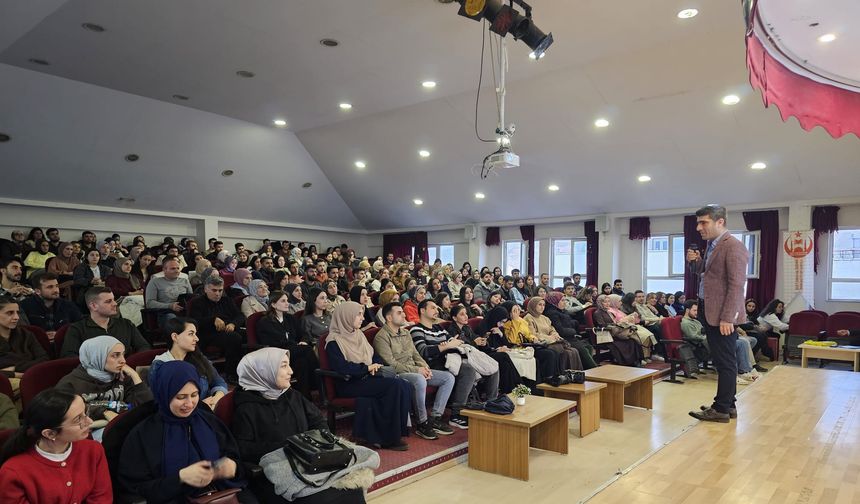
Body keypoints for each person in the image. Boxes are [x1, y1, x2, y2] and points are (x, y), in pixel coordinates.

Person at [231, 348, 369, 504]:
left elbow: (318, 421)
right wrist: (291, 447)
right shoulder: (246, 408)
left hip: (309, 462)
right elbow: (245, 450)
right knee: (322, 499)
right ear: (264, 371)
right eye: (283, 366)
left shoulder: (292, 395)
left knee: (353, 490)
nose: (290, 371)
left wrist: (317, 443)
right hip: (277, 472)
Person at [118, 360, 256, 503]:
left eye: (195, 394)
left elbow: (236, 461)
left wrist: (233, 467)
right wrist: (180, 478)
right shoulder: (144, 434)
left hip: (225, 494)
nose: (190, 404)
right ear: (164, 393)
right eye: (181, 397)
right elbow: (136, 490)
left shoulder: (209, 421)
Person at [687, 205, 749, 423]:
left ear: (720, 222)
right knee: (724, 360)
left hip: (723, 314)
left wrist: (727, 317)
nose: (698, 227)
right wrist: (695, 263)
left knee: (725, 362)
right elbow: (705, 274)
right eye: (698, 223)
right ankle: (728, 405)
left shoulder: (733, 246)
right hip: (711, 310)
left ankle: (721, 408)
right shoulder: (712, 245)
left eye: (704, 222)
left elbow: (736, 285)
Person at [325, 302, 411, 450]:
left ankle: (393, 433)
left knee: (404, 384)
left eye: (361, 313)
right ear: (346, 317)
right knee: (395, 386)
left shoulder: (358, 334)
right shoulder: (334, 341)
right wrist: (366, 368)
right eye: (358, 314)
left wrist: (376, 365)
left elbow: (373, 355)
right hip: (348, 383)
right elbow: (342, 368)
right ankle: (390, 438)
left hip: (366, 378)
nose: (362, 317)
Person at [0, 388, 112, 503]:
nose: (89, 421)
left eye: (85, 412)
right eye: (78, 419)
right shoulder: (13, 472)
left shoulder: (93, 450)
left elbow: (101, 498)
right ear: (50, 433)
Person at [411, 299, 499, 429]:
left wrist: (448, 345)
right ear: (422, 311)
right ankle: (457, 414)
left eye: (437, 308)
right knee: (468, 370)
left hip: (450, 359)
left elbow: (454, 342)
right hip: (434, 364)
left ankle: (492, 403)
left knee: (491, 365)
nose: (437, 311)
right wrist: (443, 347)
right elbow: (423, 352)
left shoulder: (438, 328)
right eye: (433, 308)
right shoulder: (416, 329)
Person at [372, 302, 455, 441]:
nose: (404, 314)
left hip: (414, 369)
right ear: (389, 318)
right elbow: (391, 364)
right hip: (397, 374)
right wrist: (417, 370)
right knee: (419, 379)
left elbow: (416, 354)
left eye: (403, 312)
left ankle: (435, 417)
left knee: (448, 377)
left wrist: (425, 367)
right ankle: (422, 422)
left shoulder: (405, 332)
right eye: (399, 312)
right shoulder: (381, 337)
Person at [56, 336, 154, 439]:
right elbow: (66, 417)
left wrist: (135, 376)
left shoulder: (123, 376)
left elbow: (145, 408)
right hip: (88, 433)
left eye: (123, 354)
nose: (123, 360)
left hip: (123, 426)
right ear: (97, 356)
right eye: (115, 355)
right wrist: (104, 411)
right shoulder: (70, 384)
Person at [149, 317, 228, 411]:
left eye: (196, 334)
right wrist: (200, 405)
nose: (197, 339)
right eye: (191, 334)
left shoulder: (199, 358)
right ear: (175, 337)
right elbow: (162, 402)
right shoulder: (160, 365)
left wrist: (217, 397)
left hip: (207, 411)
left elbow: (219, 381)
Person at [257, 291, 318, 399]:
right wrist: (297, 345)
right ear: (273, 304)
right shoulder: (265, 322)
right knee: (308, 350)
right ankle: (318, 382)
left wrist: (303, 341)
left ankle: (305, 398)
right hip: (277, 354)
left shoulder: (291, 318)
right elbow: (273, 343)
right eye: (283, 301)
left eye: (287, 301)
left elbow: (303, 334)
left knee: (302, 363)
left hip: (293, 353)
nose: (287, 303)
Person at [62, 286, 151, 357]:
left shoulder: (126, 324)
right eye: (108, 301)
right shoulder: (77, 329)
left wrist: (129, 363)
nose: (115, 303)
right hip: (92, 376)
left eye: (113, 299)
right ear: (93, 306)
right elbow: (69, 356)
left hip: (125, 371)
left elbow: (144, 347)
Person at [455, 305, 523, 393]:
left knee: (505, 362)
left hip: (487, 352)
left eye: (466, 314)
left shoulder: (467, 328)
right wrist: (495, 349)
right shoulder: (482, 327)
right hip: (481, 354)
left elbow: (507, 344)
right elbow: (480, 348)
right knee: (503, 356)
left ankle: (512, 389)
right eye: (501, 322)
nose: (501, 325)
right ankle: (517, 386)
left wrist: (501, 335)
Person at [188, 276, 244, 382]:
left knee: (245, 335)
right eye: (214, 290)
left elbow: (240, 316)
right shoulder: (197, 302)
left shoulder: (227, 300)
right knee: (234, 338)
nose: (217, 293)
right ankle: (231, 374)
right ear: (205, 289)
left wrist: (233, 324)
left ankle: (245, 371)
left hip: (228, 329)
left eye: (220, 290)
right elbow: (194, 322)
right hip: (207, 333)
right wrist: (212, 320)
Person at [0, 297, 49, 390]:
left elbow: (44, 359)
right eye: (10, 313)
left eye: (17, 312)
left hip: (32, 376)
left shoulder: (26, 334)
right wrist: (17, 374)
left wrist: (14, 368)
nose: (16, 317)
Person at [524, 297, 583, 371]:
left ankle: (574, 374)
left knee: (573, 351)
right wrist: (551, 338)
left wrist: (555, 335)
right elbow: (533, 334)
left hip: (552, 341)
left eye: (543, 305)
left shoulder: (545, 318)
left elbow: (552, 330)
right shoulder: (528, 318)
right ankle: (561, 374)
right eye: (539, 305)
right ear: (533, 305)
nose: (542, 307)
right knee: (565, 352)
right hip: (541, 344)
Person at [543, 292, 597, 369]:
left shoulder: (562, 311)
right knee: (583, 350)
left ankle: (586, 369)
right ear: (554, 302)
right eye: (562, 300)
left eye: (565, 300)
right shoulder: (552, 313)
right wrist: (573, 331)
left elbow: (569, 323)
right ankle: (594, 368)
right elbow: (560, 330)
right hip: (563, 338)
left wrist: (574, 325)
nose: (565, 302)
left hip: (570, 336)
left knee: (589, 347)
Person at [19, 271, 82, 336]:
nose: (55, 290)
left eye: (57, 286)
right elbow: (21, 331)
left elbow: (80, 327)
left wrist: (59, 334)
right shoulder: (24, 306)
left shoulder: (69, 306)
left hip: (63, 342)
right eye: (50, 287)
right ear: (37, 291)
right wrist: (41, 336)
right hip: (35, 343)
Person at [592, 294, 644, 367]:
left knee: (632, 340)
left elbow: (615, 322)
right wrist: (614, 325)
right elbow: (602, 325)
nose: (608, 304)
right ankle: (626, 362)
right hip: (607, 333)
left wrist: (619, 324)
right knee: (623, 342)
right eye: (605, 302)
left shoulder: (608, 311)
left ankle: (635, 361)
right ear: (600, 303)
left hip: (614, 331)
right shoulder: (598, 313)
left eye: (609, 302)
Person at [145, 257, 193, 327]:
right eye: (173, 268)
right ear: (164, 269)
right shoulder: (154, 282)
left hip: (184, 312)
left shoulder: (185, 281)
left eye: (178, 268)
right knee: (173, 319)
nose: (177, 271)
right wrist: (170, 306)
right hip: (165, 313)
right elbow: (150, 303)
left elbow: (191, 298)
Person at [105, 257, 146, 326]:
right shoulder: (112, 278)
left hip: (136, 300)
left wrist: (142, 290)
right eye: (126, 264)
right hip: (119, 301)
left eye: (130, 265)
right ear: (119, 265)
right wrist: (130, 293)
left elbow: (143, 287)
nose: (129, 267)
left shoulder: (134, 277)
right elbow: (111, 290)